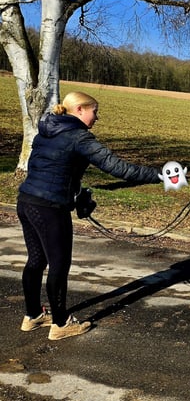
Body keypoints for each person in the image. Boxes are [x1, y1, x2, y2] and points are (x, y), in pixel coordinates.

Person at [16, 91, 162, 340]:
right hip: (50, 208)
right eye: (95, 111)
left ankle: (33, 316)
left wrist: (76, 193)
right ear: (80, 110)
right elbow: (119, 168)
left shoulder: (46, 130)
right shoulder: (79, 137)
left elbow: (46, 167)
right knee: (58, 266)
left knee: (37, 260)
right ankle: (61, 324)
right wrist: (162, 175)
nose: (97, 117)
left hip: (27, 201)